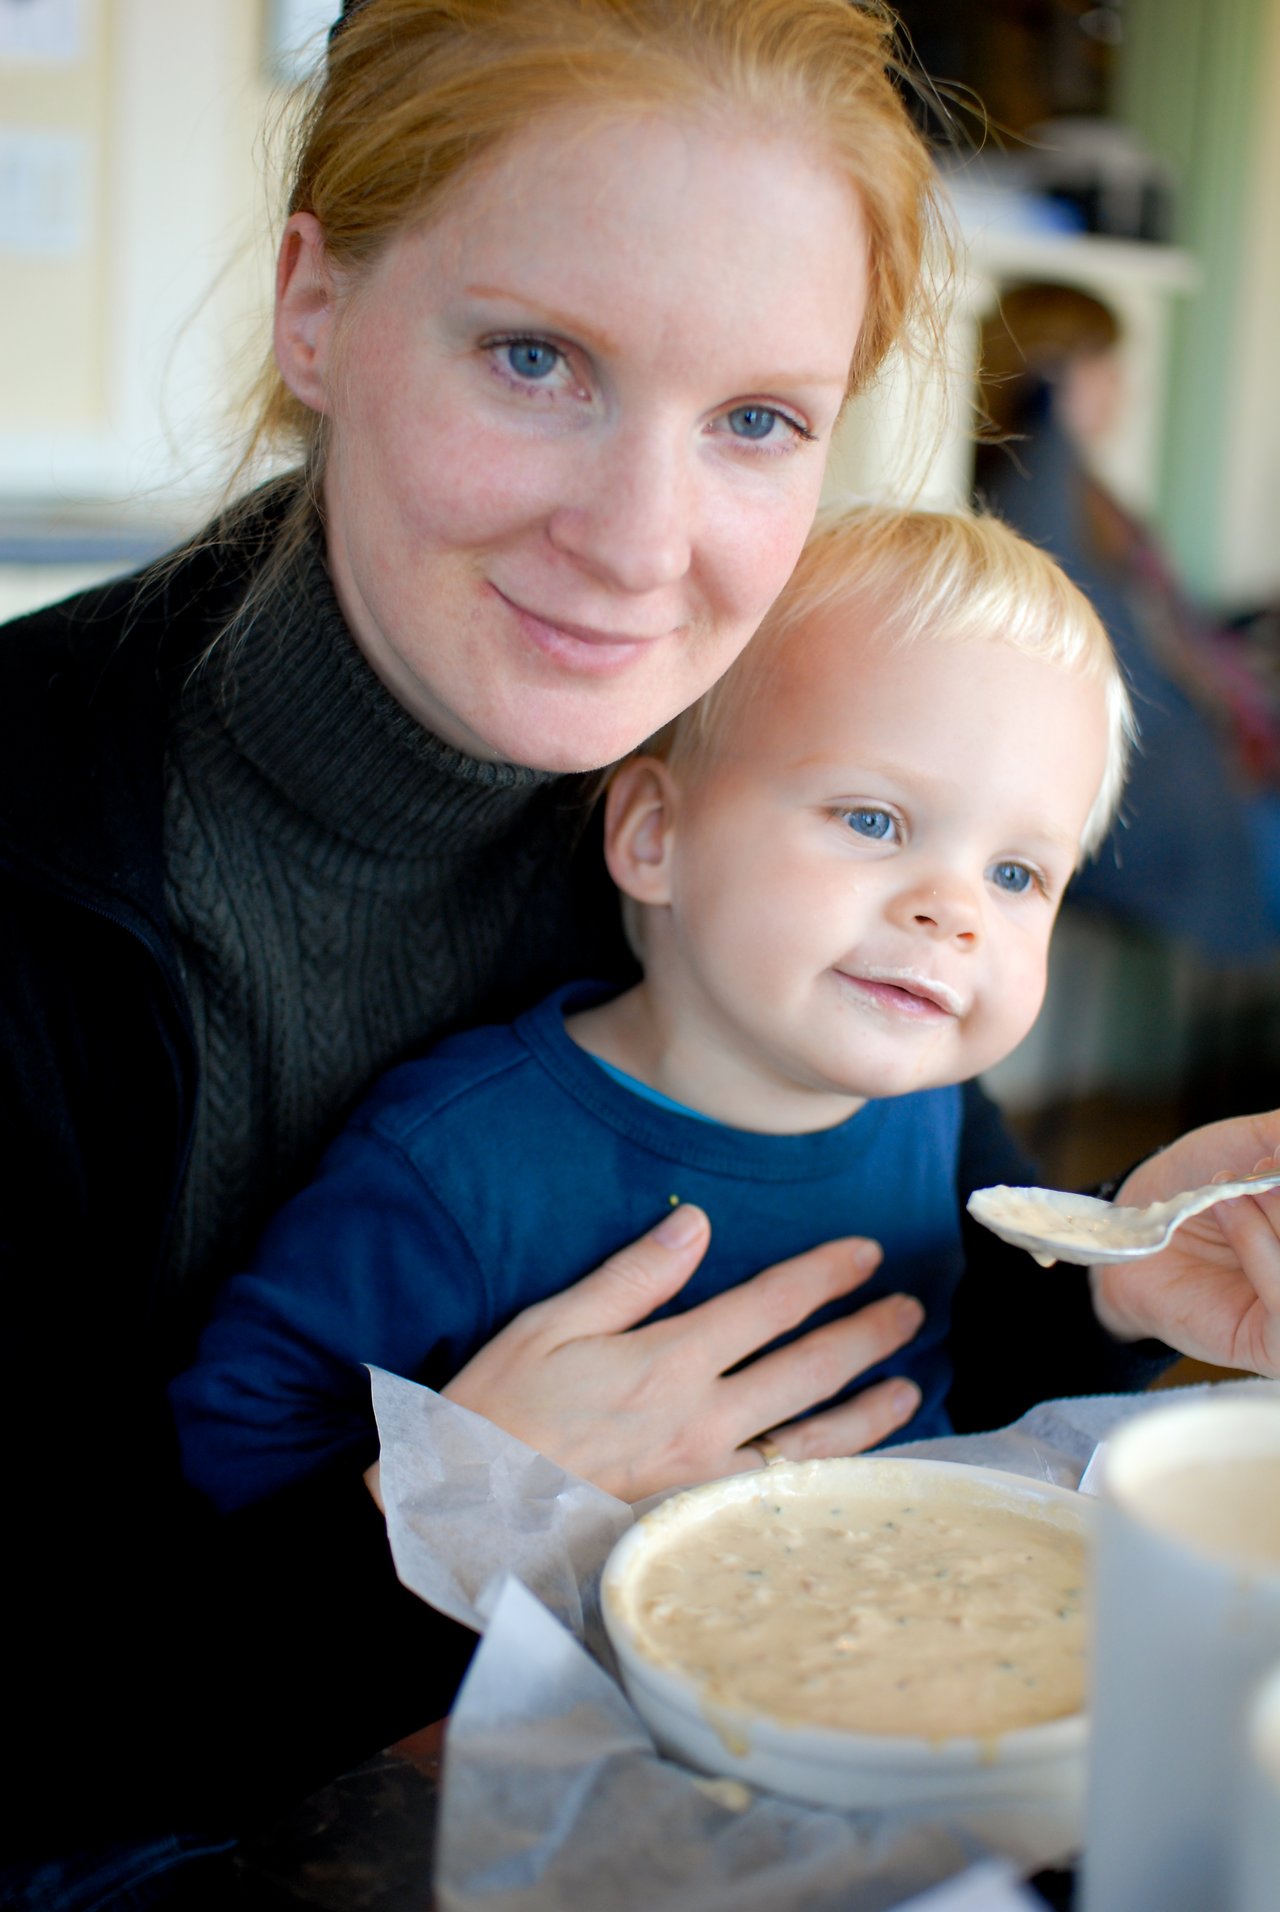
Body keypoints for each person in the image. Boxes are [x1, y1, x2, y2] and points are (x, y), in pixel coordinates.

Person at [3, 1, 1280, 1902]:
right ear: (315, 308)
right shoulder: (36, 872)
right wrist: (444, 1519)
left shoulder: (755, 787)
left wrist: (1115, 1269)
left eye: (758, 419)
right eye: (536, 358)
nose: (639, 542)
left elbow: (882, 1267)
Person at [170, 503, 1165, 1516]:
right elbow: (237, 1446)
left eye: (1014, 873)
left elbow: (1012, 1366)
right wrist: (461, 1492)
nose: (952, 912)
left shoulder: (939, 1114)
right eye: (873, 819)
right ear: (653, 836)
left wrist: (1137, 1259)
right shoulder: (454, 1165)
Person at [975, 279, 1280, 964]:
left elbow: (1153, 635)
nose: (1122, 387)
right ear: (1053, 372)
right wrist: (1043, 408)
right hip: (1168, 810)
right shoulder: (1035, 494)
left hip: (1205, 781)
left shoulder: (1089, 496)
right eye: (1103, 365)